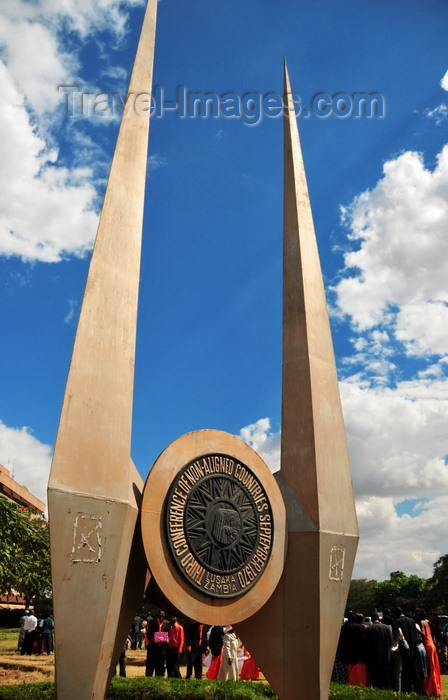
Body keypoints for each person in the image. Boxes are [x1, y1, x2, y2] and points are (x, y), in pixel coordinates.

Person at [394, 608, 423, 694]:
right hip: (414, 648)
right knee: (415, 670)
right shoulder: (411, 621)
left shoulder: (398, 621)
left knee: (405, 671)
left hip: (404, 650)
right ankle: (418, 688)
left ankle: (407, 688)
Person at [337, 612, 369, 686]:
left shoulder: (344, 628)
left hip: (346, 656)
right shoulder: (361, 627)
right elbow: (364, 641)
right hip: (358, 656)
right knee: (358, 676)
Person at [416, 609, 441, 697]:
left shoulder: (421, 622)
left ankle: (432, 690)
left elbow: (423, 634)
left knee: (429, 668)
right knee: (434, 667)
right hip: (432, 644)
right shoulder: (427, 622)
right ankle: (435, 689)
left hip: (427, 645)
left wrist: (416, 629)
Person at [365, 611, 392, 688]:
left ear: (372, 619)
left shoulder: (369, 628)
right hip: (386, 656)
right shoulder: (387, 628)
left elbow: (368, 644)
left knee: (375, 679)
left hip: (374, 657)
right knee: (385, 678)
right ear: (378, 618)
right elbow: (390, 642)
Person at [145, 609, 170, 677]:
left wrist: (167, 639)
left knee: (161, 664)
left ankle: (159, 677)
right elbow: (148, 634)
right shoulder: (152, 622)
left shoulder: (167, 623)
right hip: (153, 647)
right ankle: (148, 678)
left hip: (162, 647)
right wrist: (153, 640)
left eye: (163, 611)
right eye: (160, 611)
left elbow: (169, 634)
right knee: (151, 664)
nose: (161, 613)